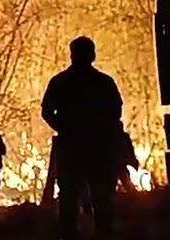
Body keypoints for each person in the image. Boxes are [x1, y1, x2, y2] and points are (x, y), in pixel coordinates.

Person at [41, 36, 124, 240]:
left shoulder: (60, 82)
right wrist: (103, 130)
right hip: (98, 148)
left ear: (72, 55)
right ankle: (103, 234)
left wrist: (63, 128)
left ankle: (70, 235)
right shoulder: (103, 82)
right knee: (102, 198)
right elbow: (116, 112)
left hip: (71, 148)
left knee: (69, 198)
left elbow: (46, 111)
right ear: (92, 55)